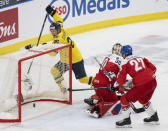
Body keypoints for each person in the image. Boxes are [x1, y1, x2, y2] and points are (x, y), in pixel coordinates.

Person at [45, 5, 93, 93]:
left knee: (83, 80)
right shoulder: (61, 28)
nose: (52, 33)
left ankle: (98, 83)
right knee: (54, 71)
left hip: (75, 60)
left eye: (54, 31)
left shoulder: (58, 40)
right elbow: (58, 19)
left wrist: (44, 48)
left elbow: (53, 54)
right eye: (51, 31)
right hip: (66, 61)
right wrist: (52, 12)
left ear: (57, 30)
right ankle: (63, 88)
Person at [110, 45, 159, 127]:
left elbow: (121, 80)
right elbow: (154, 68)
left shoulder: (125, 62)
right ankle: (153, 116)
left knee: (124, 98)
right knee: (143, 99)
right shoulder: (140, 57)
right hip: (153, 81)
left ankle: (126, 121)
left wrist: (114, 86)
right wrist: (145, 77)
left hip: (142, 85)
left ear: (124, 54)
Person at [85, 43, 123, 118]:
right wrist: (118, 84)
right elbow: (114, 75)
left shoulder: (108, 57)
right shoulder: (119, 59)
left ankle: (94, 100)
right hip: (105, 85)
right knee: (117, 101)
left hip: (96, 82)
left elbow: (108, 72)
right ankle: (97, 108)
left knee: (104, 96)